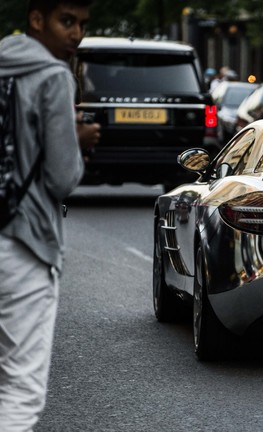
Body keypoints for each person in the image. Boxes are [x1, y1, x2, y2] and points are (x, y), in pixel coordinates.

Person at [0, 1, 93, 430]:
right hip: (22, 240)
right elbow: (60, 178)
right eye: (66, 21)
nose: (75, 34)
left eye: (81, 25)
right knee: (21, 388)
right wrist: (75, 139)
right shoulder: (54, 77)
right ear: (36, 20)